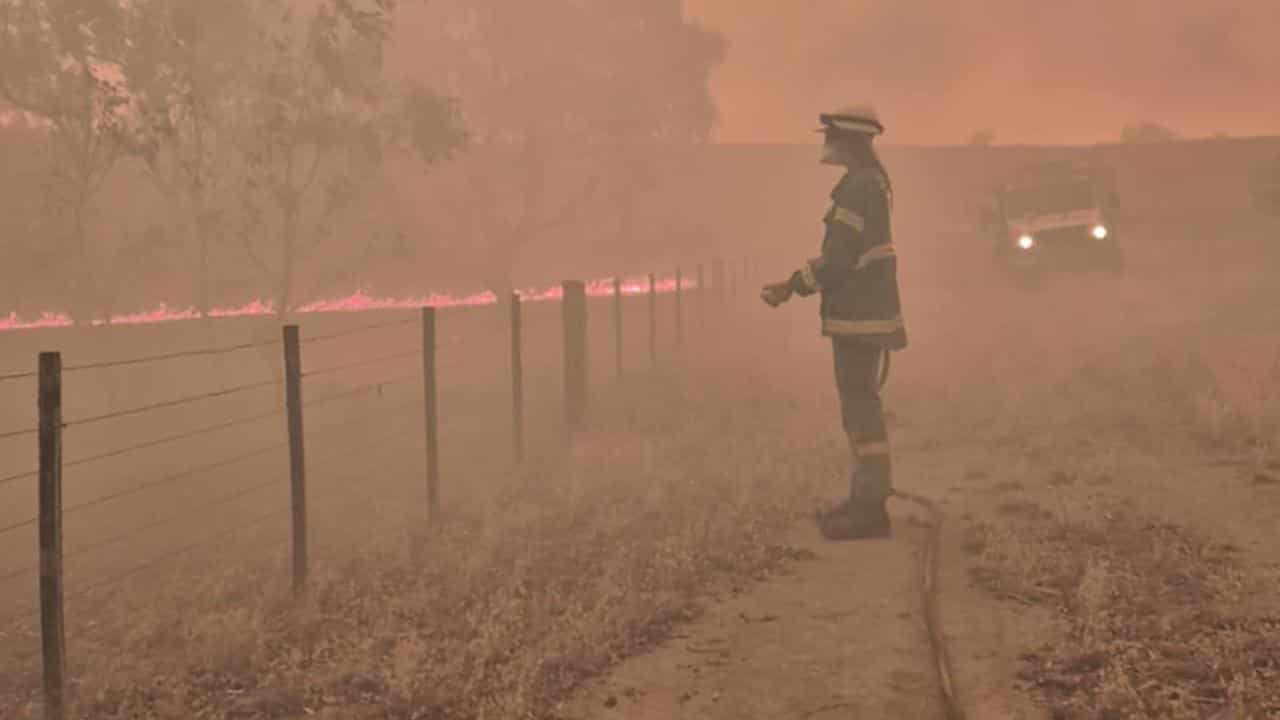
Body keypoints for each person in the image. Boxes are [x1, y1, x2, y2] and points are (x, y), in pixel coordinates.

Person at [760, 104, 908, 541]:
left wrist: (791, 285)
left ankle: (869, 512)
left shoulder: (858, 188)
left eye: (833, 137)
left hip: (858, 317)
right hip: (866, 314)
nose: (827, 144)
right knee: (862, 410)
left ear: (851, 141)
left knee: (860, 413)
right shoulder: (869, 184)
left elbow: (839, 260)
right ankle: (864, 499)